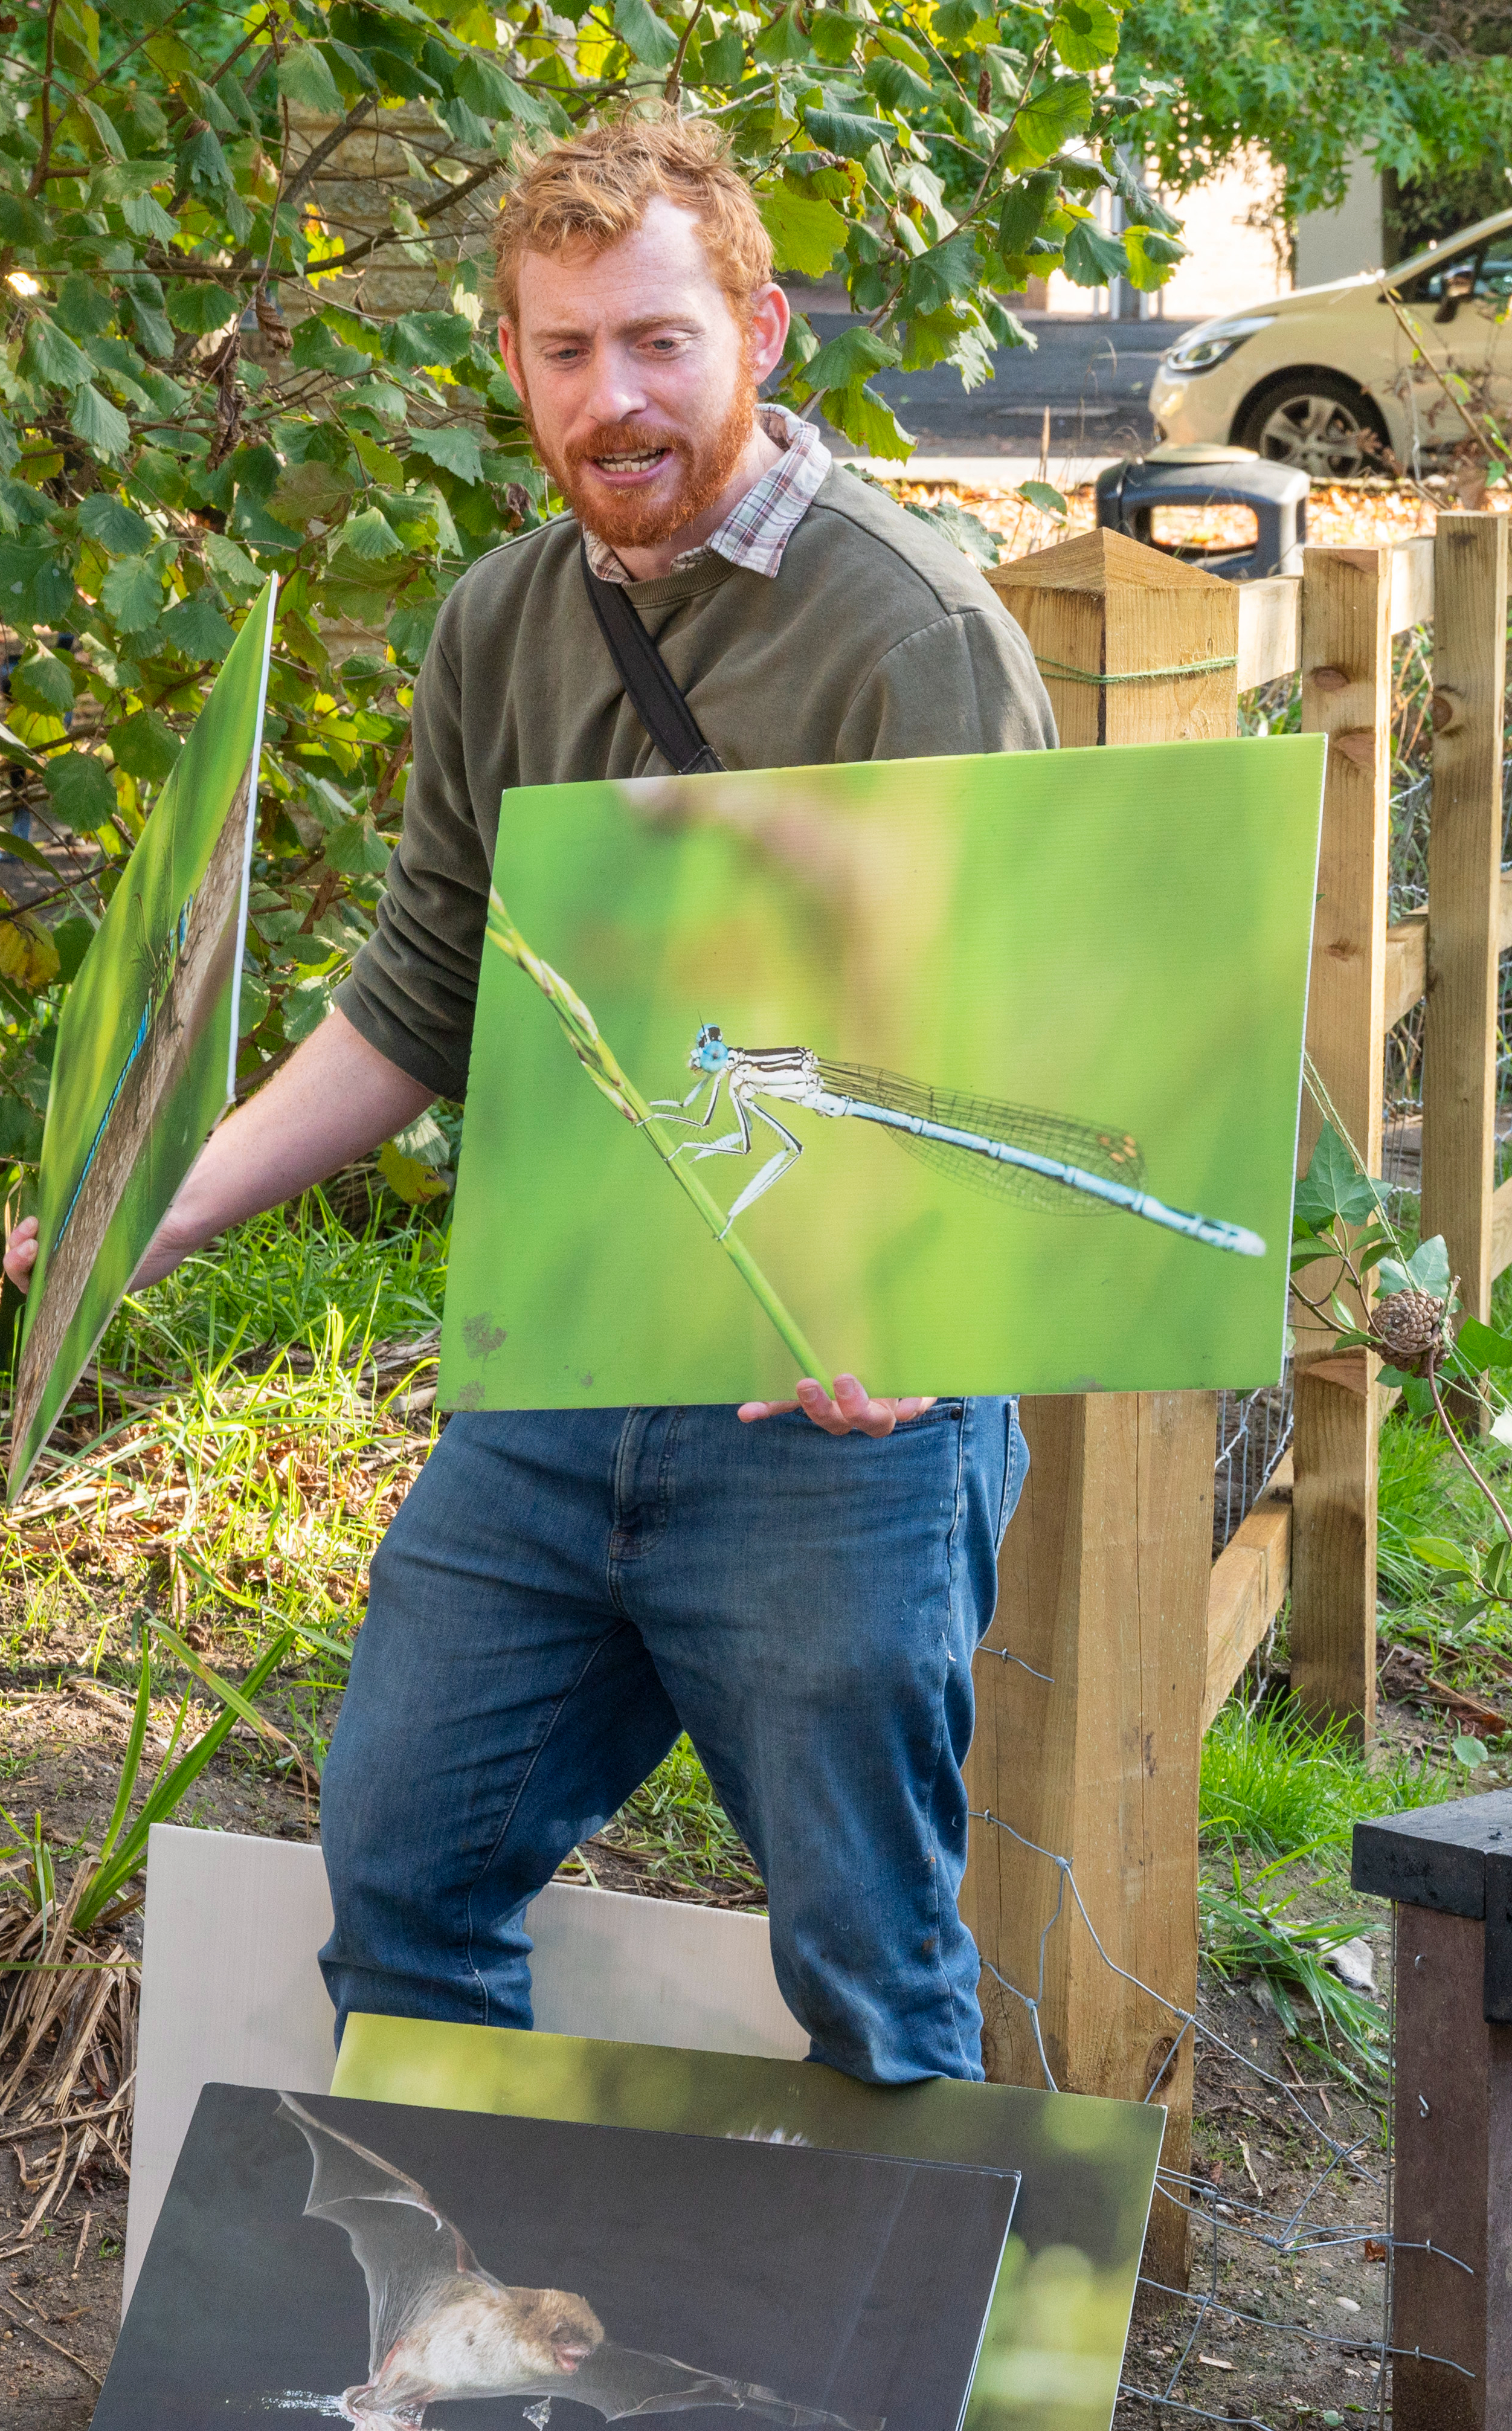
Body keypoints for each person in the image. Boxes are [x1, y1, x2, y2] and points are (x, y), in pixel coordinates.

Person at [5, 115, 1057, 2082]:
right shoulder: (500, 621)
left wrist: (926, 1320)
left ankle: (915, 2364)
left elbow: (1015, 1040)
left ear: (756, 326)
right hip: (558, 1383)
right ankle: (463, 2358)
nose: (615, 399)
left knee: (871, 1974)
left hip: (832, 1417)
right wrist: (129, 1218)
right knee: (404, 1868)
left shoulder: (911, 629)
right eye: (566, 352)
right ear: (510, 362)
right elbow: (417, 1001)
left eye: (658, 341)